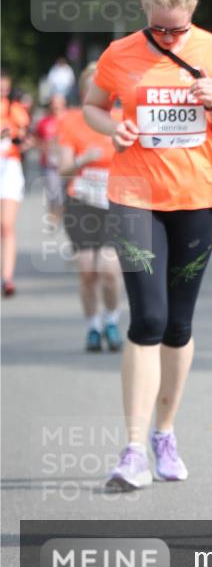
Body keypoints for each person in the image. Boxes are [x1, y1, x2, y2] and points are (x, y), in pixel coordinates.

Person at [83, 0, 212, 490]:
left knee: (178, 324)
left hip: (198, 197)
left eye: (177, 29)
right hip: (135, 196)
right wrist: (115, 127)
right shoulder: (120, 54)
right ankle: (132, 448)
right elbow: (93, 106)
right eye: (159, 28)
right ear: (145, 16)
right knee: (147, 318)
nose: (168, 37)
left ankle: (165, 433)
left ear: (192, 14)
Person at [59, 63, 124, 353]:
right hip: (82, 202)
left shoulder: (123, 119)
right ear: (85, 91)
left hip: (115, 201)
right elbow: (63, 169)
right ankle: (93, 326)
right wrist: (82, 160)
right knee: (87, 271)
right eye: (93, 86)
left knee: (109, 270)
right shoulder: (71, 121)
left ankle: (111, 319)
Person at [1, 71, 31, 296]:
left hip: (10, 169)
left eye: (5, 87)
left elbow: (24, 139)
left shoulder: (16, 110)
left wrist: (19, 142)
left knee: (6, 226)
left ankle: (7, 278)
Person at [35, 94, 67, 225]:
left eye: (59, 103)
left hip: (66, 162)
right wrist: (43, 147)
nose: (56, 106)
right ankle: (53, 216)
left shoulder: (69, 120)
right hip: (49, 163)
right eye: (54, 103)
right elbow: (37, 138)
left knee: (64, 192)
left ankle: (61, 216)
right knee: (53, 191)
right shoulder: (44, 122)